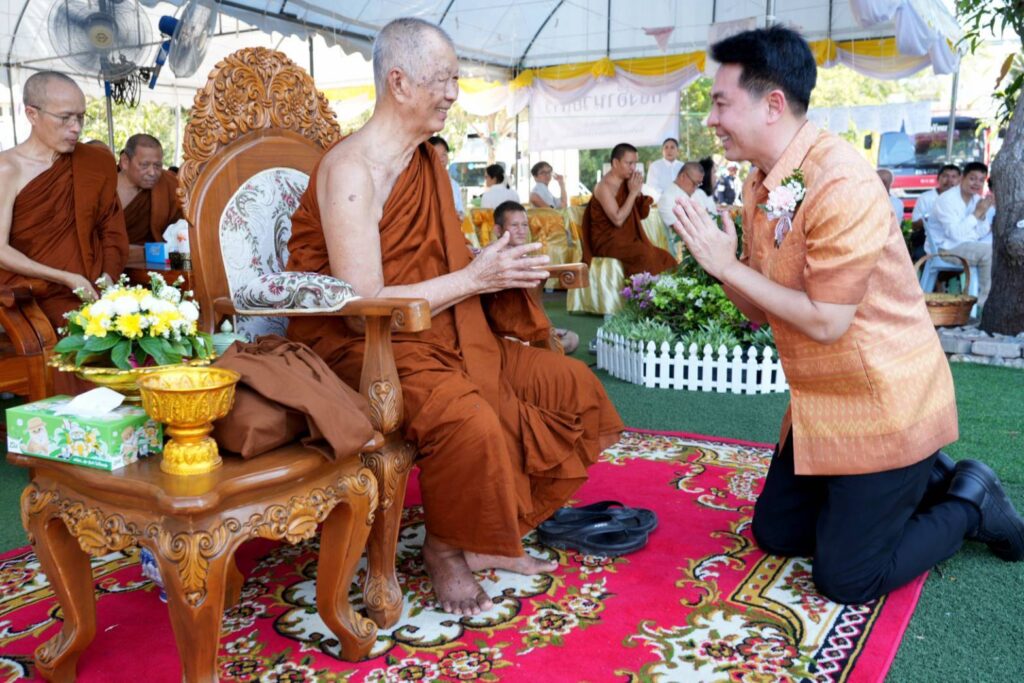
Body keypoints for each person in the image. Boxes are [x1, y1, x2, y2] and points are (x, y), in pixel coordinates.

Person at [671, 26, 1023, 606]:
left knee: (847, 579)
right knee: (777, 534)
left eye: (720, 103)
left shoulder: (841, 181)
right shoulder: (761, 184)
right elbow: (759, 309)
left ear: (773, 105)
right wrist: (723, 266)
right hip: (819, 405)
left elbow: (828, 321)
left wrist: (726, 266)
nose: (710, 119)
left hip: (884, 402)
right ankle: (924, 479)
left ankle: (970, 502)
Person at [285, 17, 623, 616]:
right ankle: (445, 547)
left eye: (455, 79)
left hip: (444, 333)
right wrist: (474, 278)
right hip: (367, 350)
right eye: (442, 79)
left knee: (571, 387)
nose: (453, 93)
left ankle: (489, 535)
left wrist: (497, 269)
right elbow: (363, 307)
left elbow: (439, 259)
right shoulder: (352, 170)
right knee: (471, 422)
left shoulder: (426, 163)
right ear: (399, 82)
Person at [0, 71, 128, 330]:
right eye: (65, 117)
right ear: (32, 114)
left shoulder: (94, 163)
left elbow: (111, 228)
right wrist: (67, 278)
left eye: (80, 117)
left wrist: (107, 277)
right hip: (35, 295)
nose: (76, 128)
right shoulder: (7, 169)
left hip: (95, 290)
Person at [492, 200, 580, 354]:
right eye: (514, 225)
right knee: (545, 344)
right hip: (506, 329)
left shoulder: (526, 257)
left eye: (525, 225)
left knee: (573, 339)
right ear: (498, 230)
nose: (521, 230)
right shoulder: (492, 258)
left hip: (530, 325)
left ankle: (537, 350)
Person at [582, 142, 676, 277]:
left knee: (665, 257)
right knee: (645, 256)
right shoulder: (604, 187)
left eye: (635, 163)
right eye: (629, 163)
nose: (633, 168)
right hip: (607, 241)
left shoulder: (628, 182)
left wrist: (637, 193)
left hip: (627, 238)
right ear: (615, 163)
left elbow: (641, 214)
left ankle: (666, 290)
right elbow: (618, 220)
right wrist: (633, 193)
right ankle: (641, 290)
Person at [928, 161, 994, 310]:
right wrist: (977, 213)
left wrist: (982, 215)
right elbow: (955, 234)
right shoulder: (947, 200)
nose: (976, 183)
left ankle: (985, 300)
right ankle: (984, 304)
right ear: (962, 178)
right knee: (988, 252)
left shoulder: (976, 199)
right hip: (944, 249)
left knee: (996, 249)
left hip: (965, 244)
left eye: (981, 180)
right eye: (972, 178)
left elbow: (981, 232)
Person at [117, 133, 183, 246]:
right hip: (112, 255)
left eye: (157, 166)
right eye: (144, 165)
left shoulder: (169, 185)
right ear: (125, 161)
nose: (152, 173)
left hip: (158, 254)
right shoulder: (105, 189)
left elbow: (183, 229)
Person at [658, 162, 714, 253]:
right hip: (684, 251)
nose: (696, 187)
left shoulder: (697, 194)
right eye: (694, 183)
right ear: (683, 176)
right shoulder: (667, 198)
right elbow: (681, 230)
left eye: (699, 184)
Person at [910, 164, 961, 262]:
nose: (949, 180)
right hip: (929, 243)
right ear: (938, 179)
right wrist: (931, 217)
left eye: (954, 177)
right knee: (918, 256)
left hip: (956, 244)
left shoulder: (963, 199)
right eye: (945, 176)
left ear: (960, 180)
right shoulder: (925, 197)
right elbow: (914, 225)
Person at [428, 135, 464, 220]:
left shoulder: (454, 185)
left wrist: (459, 214)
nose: (441, 159)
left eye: (444, 154)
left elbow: (461, 212)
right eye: (436, 155)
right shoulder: (422, 183)